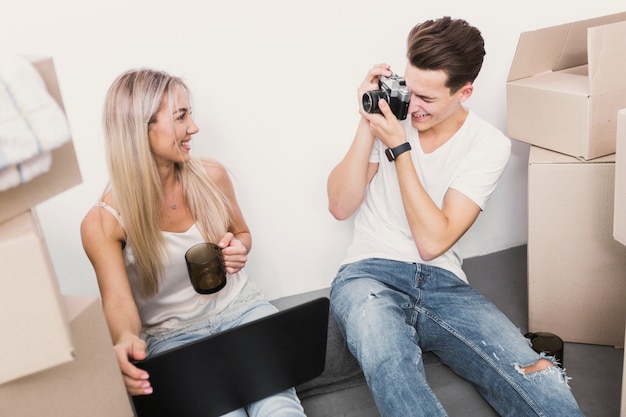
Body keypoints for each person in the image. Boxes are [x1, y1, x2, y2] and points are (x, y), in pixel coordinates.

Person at [326, 16, 584, 417]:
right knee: (390, 363)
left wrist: (400, 150)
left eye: (427, 99)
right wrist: (369, 122)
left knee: (534, 374)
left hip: (444, 282)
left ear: (464, 92)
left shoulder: (488, 145)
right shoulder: (394, 117)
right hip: (367, 275)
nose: (412, 107)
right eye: (409, 91)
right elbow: (341, 206)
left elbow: (432, 243)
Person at [81, 68, 306, 417]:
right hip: (172, 339)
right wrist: (126, 337)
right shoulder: (103, 222)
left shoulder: (212, 176)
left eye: (190, 114)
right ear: (141, 128)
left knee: (280, 409)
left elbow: (241, 233)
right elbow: (118, 302)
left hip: (243, 313)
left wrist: (238, 249)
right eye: (181, 116)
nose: (194, 128)